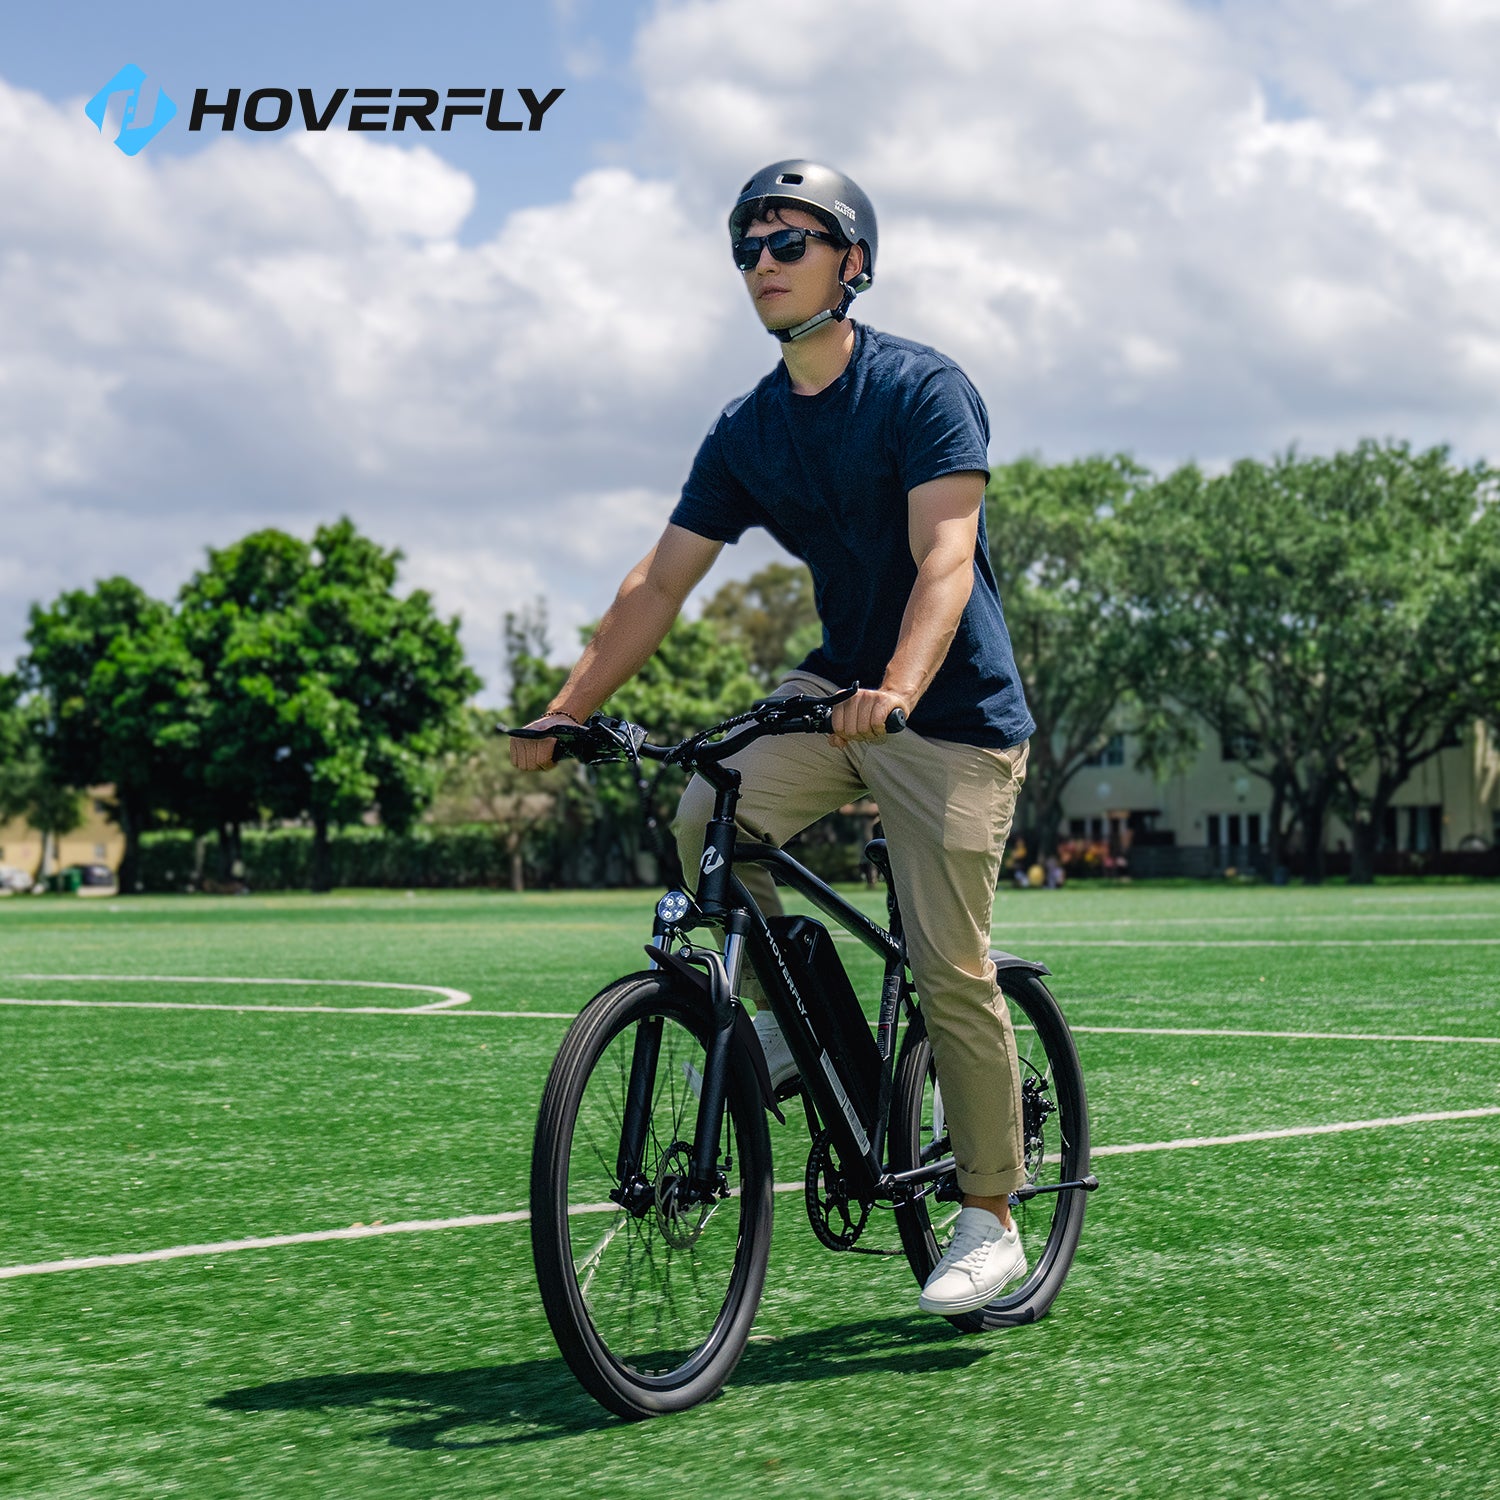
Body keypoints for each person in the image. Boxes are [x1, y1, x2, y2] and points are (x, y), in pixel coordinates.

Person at [512, 160, 1036, 1315]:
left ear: (852, 263)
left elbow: (945, 560)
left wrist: (895, 687)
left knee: (951, 968)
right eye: (747, 246)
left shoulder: (921, 389)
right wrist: (570, 708)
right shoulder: (751, 428)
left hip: (947, 717)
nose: (762, 264)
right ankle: (796, 1030)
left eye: (788, 243)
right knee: (711, 812)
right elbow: (658, 581)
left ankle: (990, 1214)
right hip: (838, 694)